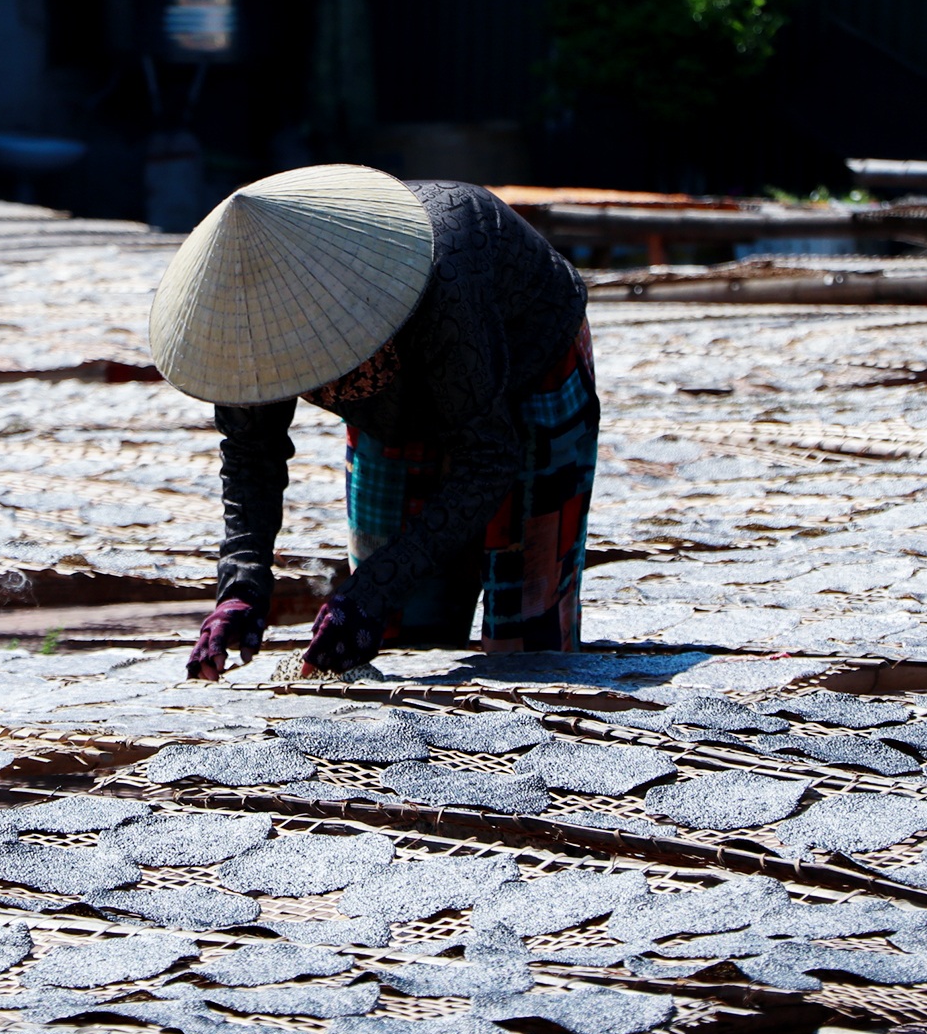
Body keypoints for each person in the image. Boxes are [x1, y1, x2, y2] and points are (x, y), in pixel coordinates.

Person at [151, 164, 597, 680]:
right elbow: (252, 454)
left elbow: (488, 456)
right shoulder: (243, 321)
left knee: (526, 645)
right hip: (394, 410)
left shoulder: (443, 269)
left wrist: (374, 589)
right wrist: (240, 589)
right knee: (390, 631)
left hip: (529, 367)